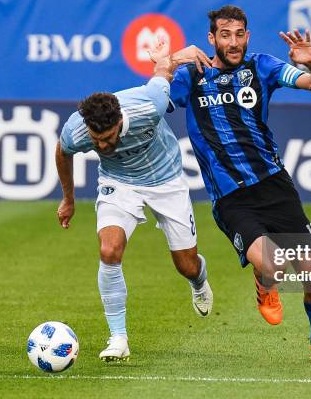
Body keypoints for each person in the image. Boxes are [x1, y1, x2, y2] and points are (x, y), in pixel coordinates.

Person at [168, 5, 311, 363]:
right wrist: (170, 61)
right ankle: (266, 284)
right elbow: (154, 98)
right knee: (273, 263)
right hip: (232, 198)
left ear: (247, 36)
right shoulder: (192, 75)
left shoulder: (262, 67)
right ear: (212, 39)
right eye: (225, 35)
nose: (233, 43)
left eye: (239, 35)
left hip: (274, 186)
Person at [55, 40, 214, 362]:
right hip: (118, 183)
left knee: (186, 265)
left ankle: (199, 281)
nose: (101, 145)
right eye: (96, 140)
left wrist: (175, 56)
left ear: (119, 122)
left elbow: (162, 71)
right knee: (109, 250)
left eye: (108, 138)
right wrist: (68, 199)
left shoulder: (149, 105)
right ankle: (118, 338)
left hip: (166, 180)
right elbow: (63, 152)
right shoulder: (77, 131)